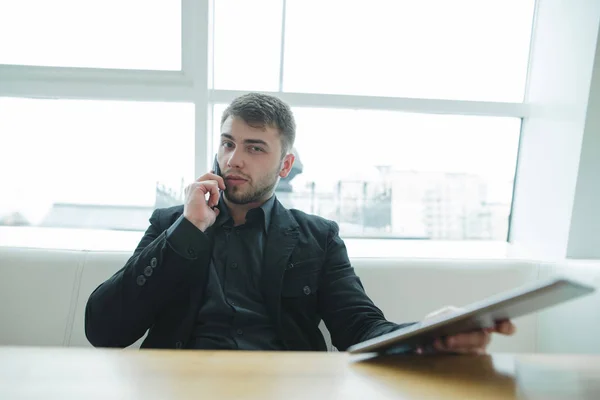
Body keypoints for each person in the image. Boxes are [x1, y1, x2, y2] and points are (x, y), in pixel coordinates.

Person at [85, 93, 515, 352]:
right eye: (228, 143)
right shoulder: (172, 225)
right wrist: (186, 231)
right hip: (180, 386)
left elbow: (360, 328)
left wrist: (429, 332)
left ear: (285, 164)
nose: (233, 159)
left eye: (255, 148)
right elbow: (104, 330)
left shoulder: (317, 238)